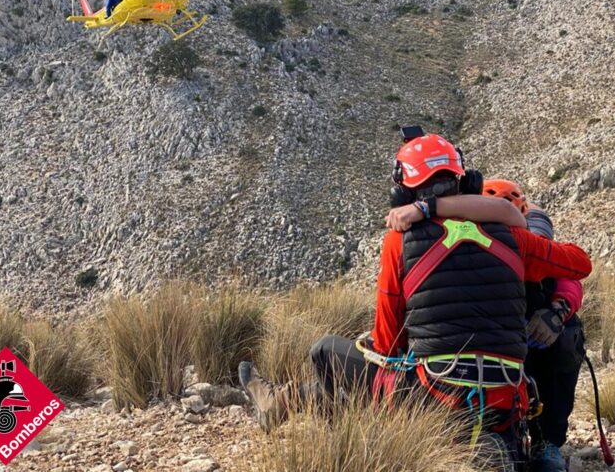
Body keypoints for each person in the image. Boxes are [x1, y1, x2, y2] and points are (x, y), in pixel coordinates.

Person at [240, 131, 592, 468]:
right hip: (504, 402)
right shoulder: (515, 237)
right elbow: (581, 263)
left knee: (327, 351)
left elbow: (388, 344)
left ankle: (289, 405)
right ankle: (496, 445)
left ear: (403, 194)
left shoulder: (400, 242)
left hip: (435, 397)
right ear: (466, 181)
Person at [482, 179, 585, 472]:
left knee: (567, 339)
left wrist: (557, 312)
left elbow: (570, 275)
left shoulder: (536, 243)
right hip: (492, 338)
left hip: (531, 334)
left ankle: (546, 441)